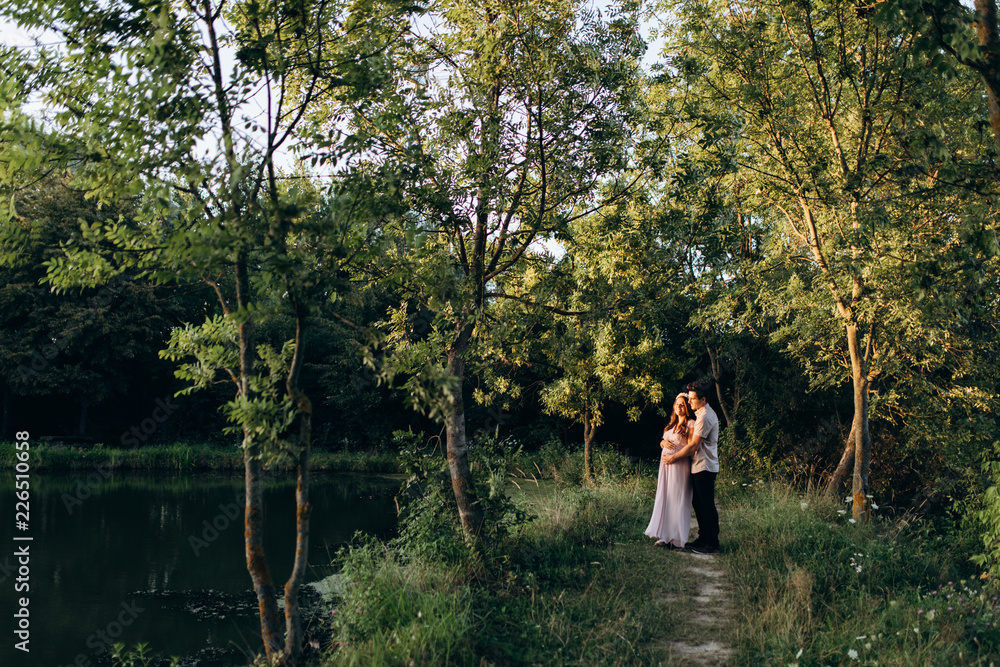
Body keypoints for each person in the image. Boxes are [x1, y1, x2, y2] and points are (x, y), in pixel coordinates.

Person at [663, 383, 720, 554]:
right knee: (699, 504)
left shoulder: (704, 417)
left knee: (707, 505)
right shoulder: (701, 414)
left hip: (704, 466)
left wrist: (672, 458)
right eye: (689, 398)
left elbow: (694, 446)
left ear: (703, 399)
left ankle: (712, 544)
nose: (689, 402)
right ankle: (703, 539)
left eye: (693, 399)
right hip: (697, 466)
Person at [644, 393, 696, 549]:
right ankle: (664, 536)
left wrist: (675, 455)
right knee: (666, 498)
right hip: (665, 468)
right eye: (676, 404)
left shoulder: (691, 424)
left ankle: (678, 537)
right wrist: (662, 443)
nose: (678, 407)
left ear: (687, 408)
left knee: (678, 500)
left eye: (682, 405)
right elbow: (663, 441)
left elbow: (692, 447)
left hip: (679, 466)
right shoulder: (671, 426)